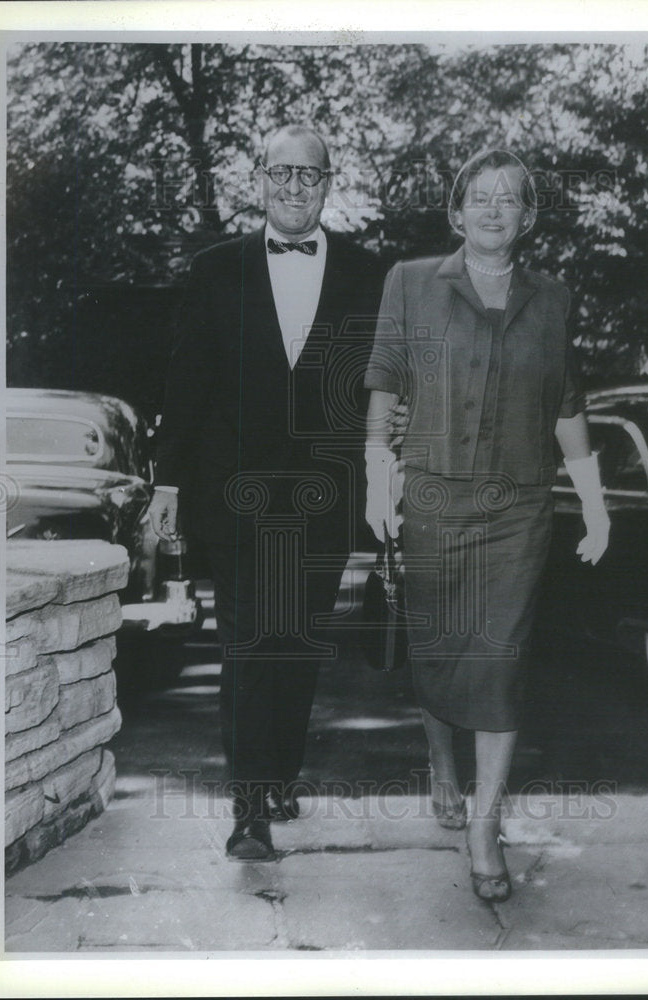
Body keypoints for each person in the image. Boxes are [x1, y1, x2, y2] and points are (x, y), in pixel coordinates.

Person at [363, 148, 609, 901]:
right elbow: (383, 386)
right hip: (432, 503)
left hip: (520, 511)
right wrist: (379, 479)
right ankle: (441, 760)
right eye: (480, 197)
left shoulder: (554, 298)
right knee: (439, 652)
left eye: (510, 198)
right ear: (456, 211)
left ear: (528, 216)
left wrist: (595, 507)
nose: (494, 209)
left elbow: (568, 408)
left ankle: (484, 823)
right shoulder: (408, 283)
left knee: (500, 661)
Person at [149, 124, 384, 861]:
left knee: (296, 644)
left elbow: (377, 388)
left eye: (306, 175)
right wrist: (170, 480)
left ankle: (281, 775)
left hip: (323, 494)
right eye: (279, 173)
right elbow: (186, 381)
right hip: (235, 495)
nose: (292, 187)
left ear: (326, 182)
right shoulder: (216, 269)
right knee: (251, 643)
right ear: (259, 179)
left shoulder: (367, 273)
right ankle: (250, 810)